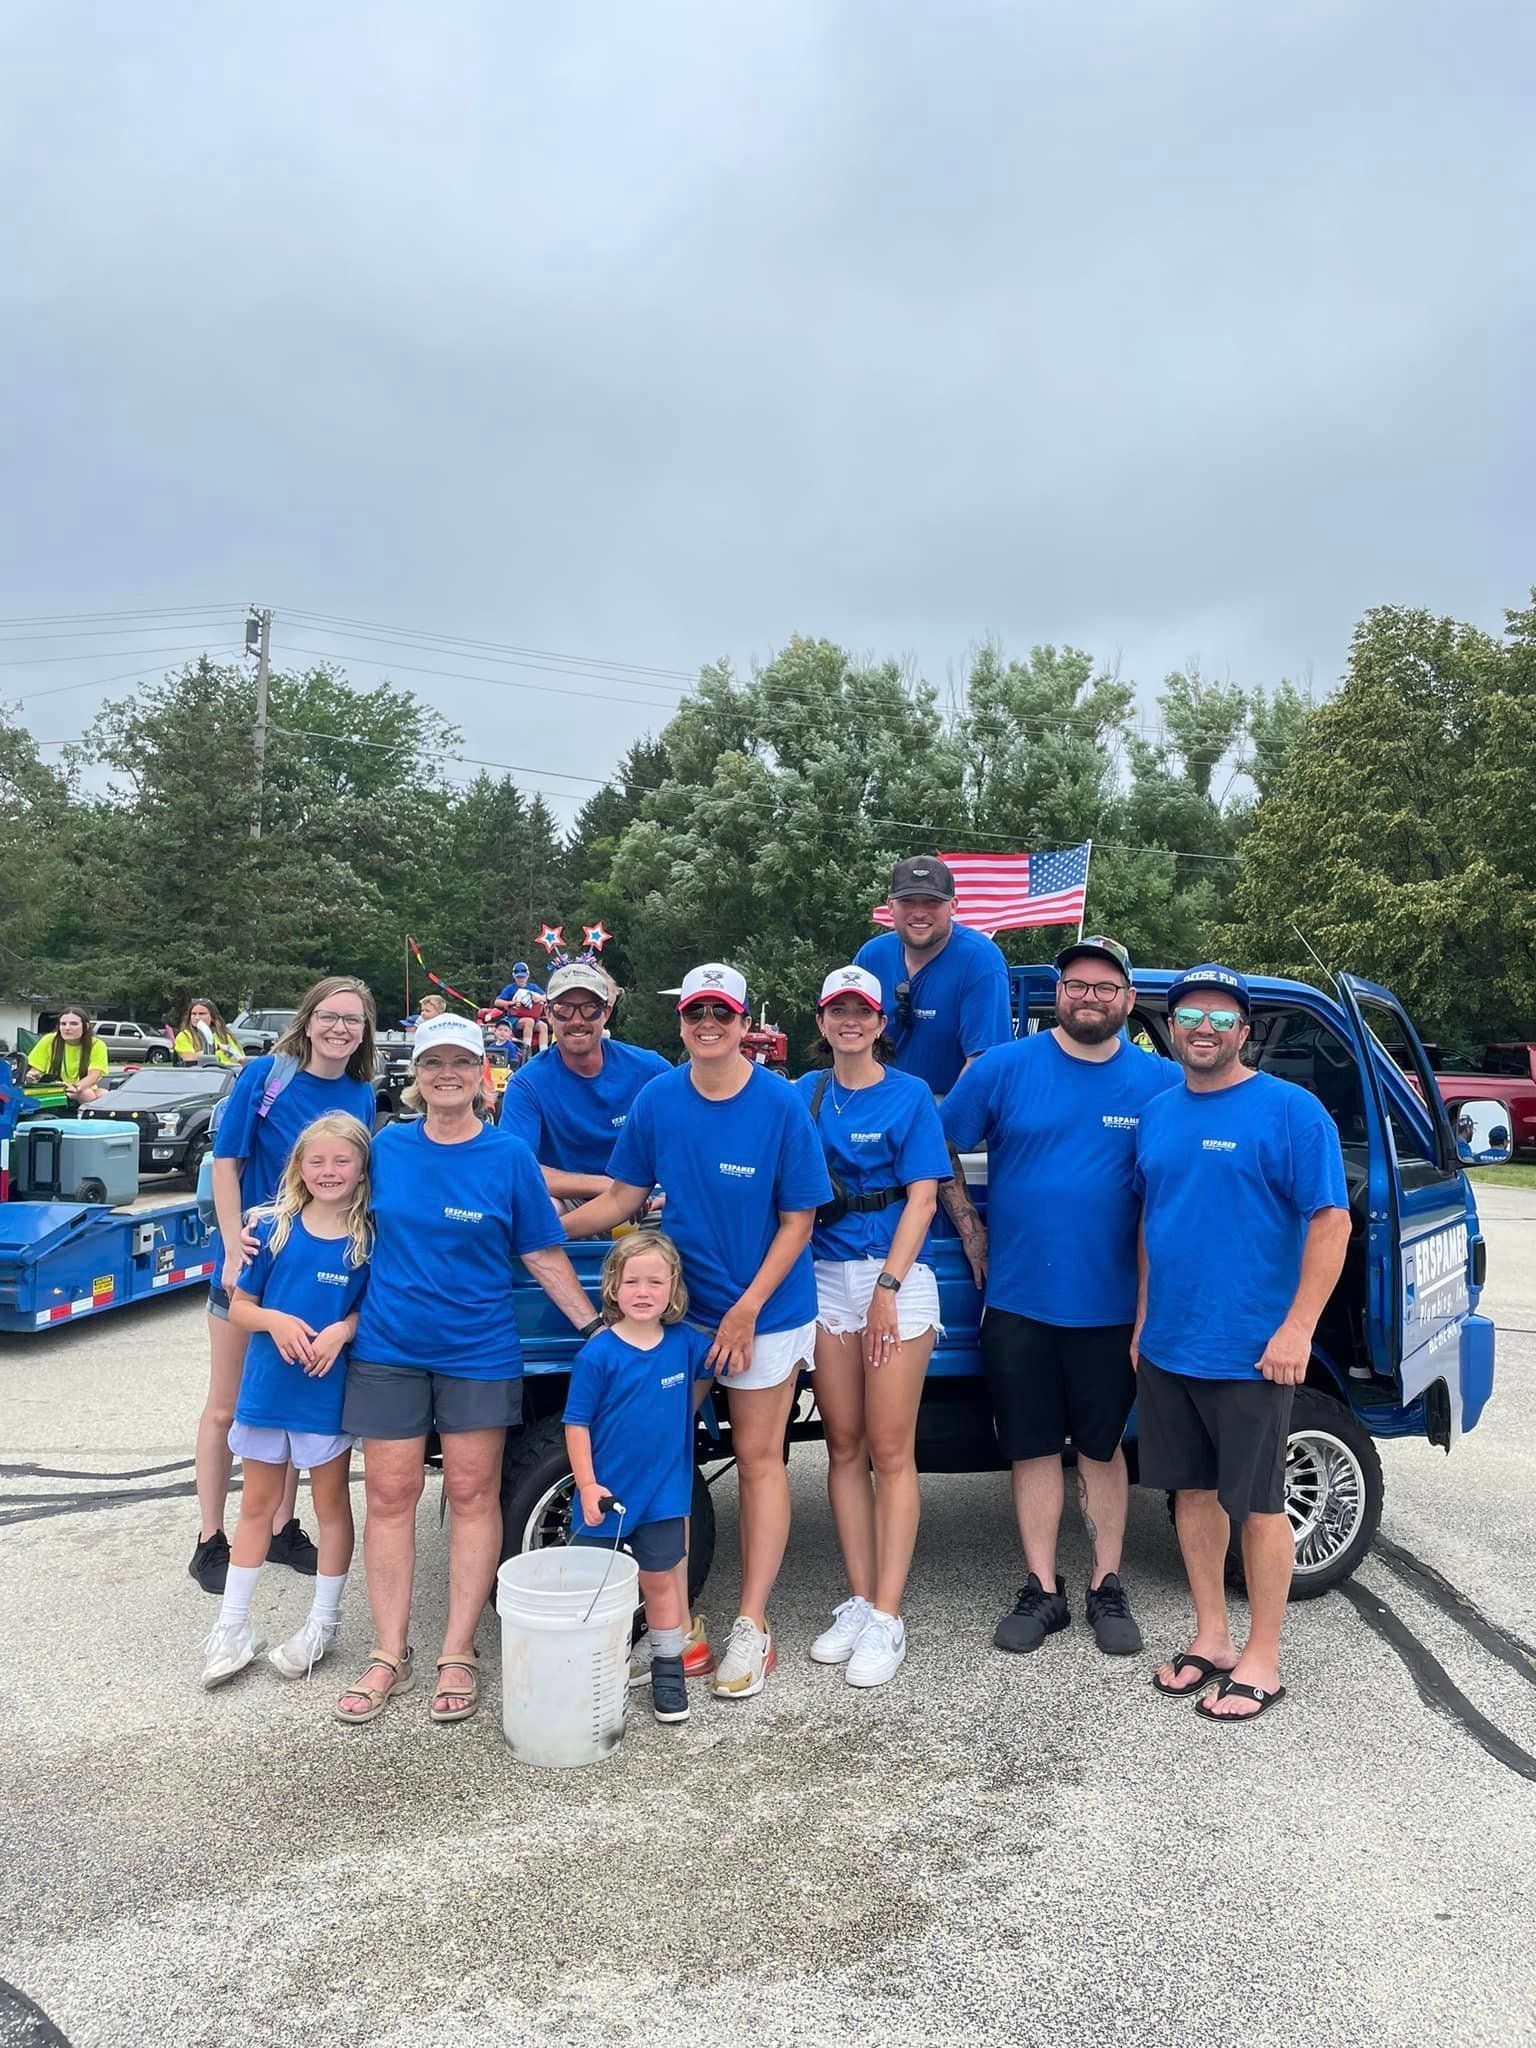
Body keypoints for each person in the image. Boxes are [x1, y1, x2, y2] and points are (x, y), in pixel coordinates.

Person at [564, 963, 832, 1701]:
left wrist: (746, 1310)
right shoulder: (658, 1098)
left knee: (757, 1460)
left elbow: (798, 1221)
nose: (707, 1024)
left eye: (722, 1011)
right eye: (694, 1012)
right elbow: (621, 1195)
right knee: (655, 1450)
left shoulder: (780, 1104)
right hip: (683, 1312)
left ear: (745, 1022)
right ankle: (673, 1628)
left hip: (766, 1311)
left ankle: (752, 1623)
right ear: (679, 1021)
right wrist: (542, 1233)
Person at [333, 1014, 600, 1727]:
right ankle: (389, 1652)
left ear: (484, 1073)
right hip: (389, 1349)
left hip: (478, 1350)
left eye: (460, 1061)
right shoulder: (386, 1149)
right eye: (431, 1064)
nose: (445, 1074)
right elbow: (323, 1202)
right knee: (391, 1494)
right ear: (415, 1077)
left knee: (477, 1495)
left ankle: (458, 1650)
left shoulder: (509, 1156)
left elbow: (542, 1253)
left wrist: (596, 1328)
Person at [940, 937, 1180, 1659]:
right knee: (1034, 1448)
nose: (1090, 998)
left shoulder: (1161, 1083)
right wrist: (970, 1229)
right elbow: (937, 1142)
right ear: (1058, 994)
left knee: (1104, 1449)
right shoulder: (1004, 1068)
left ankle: (1107, 1584)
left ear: (1128, 1000)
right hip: (1019, 1299)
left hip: (1112, 1307)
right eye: (1077, 985)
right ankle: (1043, 1590)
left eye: (1107, 988)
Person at [1135, 964, 1351, 1722]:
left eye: (1221, 1018)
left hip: (1253, 1350)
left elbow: (1331, 1222)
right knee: (1191, 1495)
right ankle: (1214, 1638)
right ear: (1172, 1027)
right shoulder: (1159, 1113)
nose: (1204, 1028)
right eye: (1190, 1014)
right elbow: (1150, 1223)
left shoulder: (1291, 1112)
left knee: (1258, 1506)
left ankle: (1263, 1656)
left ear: (1244, 1031)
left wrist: (1297, 1328)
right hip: (1169, 1346)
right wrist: (1140, 1323)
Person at [189, 978, 381, 1595]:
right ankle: (210, 1537)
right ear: (308, 1019)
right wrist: (231, 1247)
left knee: (292, 1399)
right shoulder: (266, 1077)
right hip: (255, 1256)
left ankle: (279, 1524)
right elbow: (228, 1163)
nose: (340, 1029)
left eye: (353, 1020)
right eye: (330, 1016)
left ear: (365, 1030)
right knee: (229, 1403)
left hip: (314, 1266)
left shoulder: (359, 1092)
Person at [795, 966, 952, 1687]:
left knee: (892, 1451)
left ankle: (889, 1615)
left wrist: (888, 1287)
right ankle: (859, 1599)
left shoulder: (910, 1094)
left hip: (895, 1281)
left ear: (880, 1022)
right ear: (822, 1021)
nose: (851, 1021)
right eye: (838, 1011)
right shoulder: (806, 1093)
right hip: (825, 1282)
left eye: (863, 1010)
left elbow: (923, 1197)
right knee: (844, 1445)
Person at [200, 1113, 372, 1688]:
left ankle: (322, 1621)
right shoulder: (271, 1227)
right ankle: (233, 1626)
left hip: (324, 1389)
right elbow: (240, 1305)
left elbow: (366, 1309)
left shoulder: (367, 1235)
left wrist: (341, 1331)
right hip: (269, 1388)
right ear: (298, 1165)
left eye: (341, 1160)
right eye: (316, 1160)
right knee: (257, 1505)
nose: (329, 1171)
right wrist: (274, 1320)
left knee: (330, 1504)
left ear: (362, 1167)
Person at [564, 1234, 718, 1724]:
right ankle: (590, 1671)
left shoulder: (686, 1343)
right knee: (593, 1587)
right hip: (607, 1495)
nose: (644, 1290)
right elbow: (576, 1424)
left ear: (674, 1290)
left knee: (661, 1584)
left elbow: (727, 1357)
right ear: (613, 1287)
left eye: (656, 1281)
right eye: (632, 1280)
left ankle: (668, 1671)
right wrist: (587, 1484)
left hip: (665, 1496)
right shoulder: (598, 1354)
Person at [501, 958, 671, 1202]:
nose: (577, 1020)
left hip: (646, 1196)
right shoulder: (526, 1084)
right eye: (563, 1008)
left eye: (590, 1008)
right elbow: (517, 1169)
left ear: (606, 1012)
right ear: (548, 1013)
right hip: (569, 1198)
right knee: (536, 1208)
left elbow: (692, 1145)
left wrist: (661, 1194)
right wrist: (609, 1187)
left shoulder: (651, 1069)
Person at [854, 857, 1012, 1096]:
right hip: (880, 1104)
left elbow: (984, 1065)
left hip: (953, 1106)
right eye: (907, 901)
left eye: (932, 902)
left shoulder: (981, 960)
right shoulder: (871, 957)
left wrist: (932, 1126)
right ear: (890, 906)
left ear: (953, 906)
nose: (919, 913)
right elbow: (848, 1043)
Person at [25, 1006, 109, 1105]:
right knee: (86, 1094)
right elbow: (35, 1070)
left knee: (105, 1094)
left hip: (82, 1086)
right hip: (54, 1087)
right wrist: (33, 1076)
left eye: (74, 1024)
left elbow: (93, 1076)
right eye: (63, 1024)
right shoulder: (49, 1040)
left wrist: (75, 1087)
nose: (67, 1028)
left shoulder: (96, 1045)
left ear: (85, 1026)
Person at [174, 997, 244, 1066]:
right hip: (200, 1075)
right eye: (193, 1014)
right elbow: (188, 1058)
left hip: (228, 1073)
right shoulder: (184, 1036)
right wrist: (215, 1048)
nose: (197, 1017)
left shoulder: (225, 1036)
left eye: (202, 1014)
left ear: (212, 1017)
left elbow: (241, 1059)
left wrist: (229, 1051)